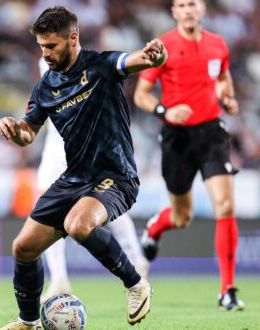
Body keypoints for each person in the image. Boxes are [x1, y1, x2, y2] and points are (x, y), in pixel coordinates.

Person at [0, 6, 167, 329]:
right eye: (42, 46)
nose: (45, 53)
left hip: (115, 177)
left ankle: (136, 284)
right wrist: (12, 128)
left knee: (79, 224)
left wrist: (153, 57)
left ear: (73, 38)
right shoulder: (46, 86)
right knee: (24, 247)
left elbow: (136, 60)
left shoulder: (101, 65)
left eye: (51, 46)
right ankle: (28, 321)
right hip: (74, 178)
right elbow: (28, 133)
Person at [133, 0, 243, 311]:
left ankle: (227, 290)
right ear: (174, 12)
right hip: (176, 136)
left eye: (193, 3)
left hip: (211, 133)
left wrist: (228, 96)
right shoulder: (163, 46)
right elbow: (141, 95)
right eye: (181, 4)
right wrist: (165, 110)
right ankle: (155, 228)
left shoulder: (218, 45)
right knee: (182, 217)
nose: (188, 9)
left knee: (225, 204)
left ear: (203, 9)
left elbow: (222, 77)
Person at [37, 60, 148, 303]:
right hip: (55, 151)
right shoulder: (47, 64)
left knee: (104, 209)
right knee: (46, 211)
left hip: (84, 151)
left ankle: (135, 260)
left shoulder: (89, 66)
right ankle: (58, 279)